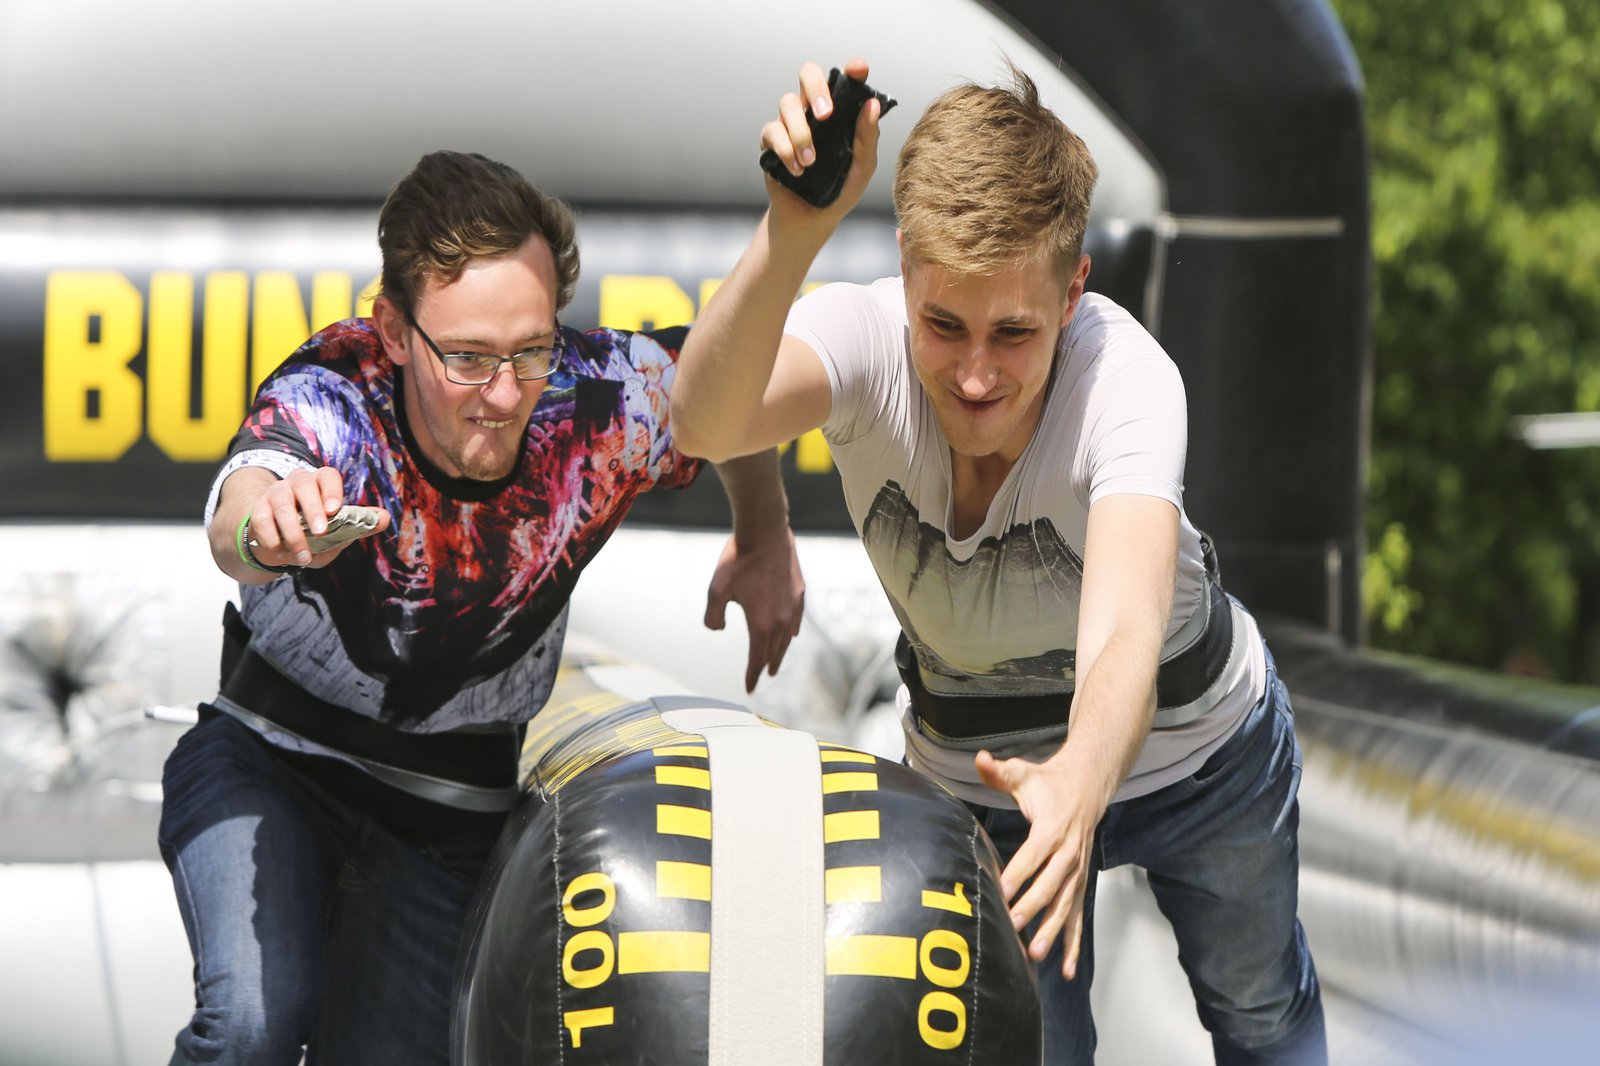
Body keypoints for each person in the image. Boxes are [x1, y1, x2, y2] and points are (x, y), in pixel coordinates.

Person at [669, 59, 1326, 1063]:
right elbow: (707, 414)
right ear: (904, 271)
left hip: (1200, 752)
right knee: (1022, 1047)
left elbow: (1123, 634)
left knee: (1257, 1012)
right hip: (979, 770)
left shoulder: (1128, 379)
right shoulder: (862, 337)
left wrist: (1080, 777)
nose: (975, 375)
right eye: (943, 324)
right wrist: (792, 232)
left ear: (1073, 292)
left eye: (1013, 333)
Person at [158, 149, 805, 1065]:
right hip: (271, 766)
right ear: (392, 329)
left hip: (444, 815)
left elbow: (725, 383)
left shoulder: (594, 399)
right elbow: (242, 504)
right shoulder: (336, 396)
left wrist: (766, 534)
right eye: (465, 358)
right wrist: (265, 533)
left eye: (529, 351)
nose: (503, 396)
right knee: (255, 1028)